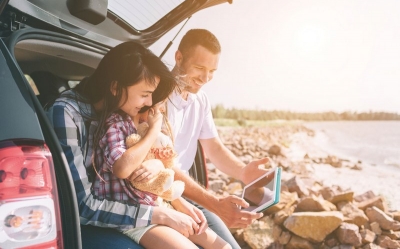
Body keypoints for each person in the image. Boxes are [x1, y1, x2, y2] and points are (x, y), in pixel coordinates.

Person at [46, 41, 209, 249]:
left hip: (143, 203)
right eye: (144, 94)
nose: (149, 102)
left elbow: (147, 164)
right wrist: (158, 215)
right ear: (115, 87)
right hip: (88, 221)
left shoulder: (125, 111)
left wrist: (176, 201)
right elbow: (82, 206)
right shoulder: (67, 113)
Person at [167, 29, 270, 249]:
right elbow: (164, 167)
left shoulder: (200, 99)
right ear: (179, 58)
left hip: (190, 196)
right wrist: (215, 204)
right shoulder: (157, 96)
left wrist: (243, 172)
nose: (205, 78)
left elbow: (213, 147)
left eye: (212, 71)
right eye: (200, 68)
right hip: (165, 196)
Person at [93, 92, 232, 249]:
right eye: (160, 107)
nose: (162, 111)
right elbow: (128, 170)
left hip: (159, 204)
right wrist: (154, 129)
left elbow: (165, 166)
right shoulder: (117, 124)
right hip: (137, 217)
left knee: (223, 246)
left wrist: (160, 167)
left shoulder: (145, 129)